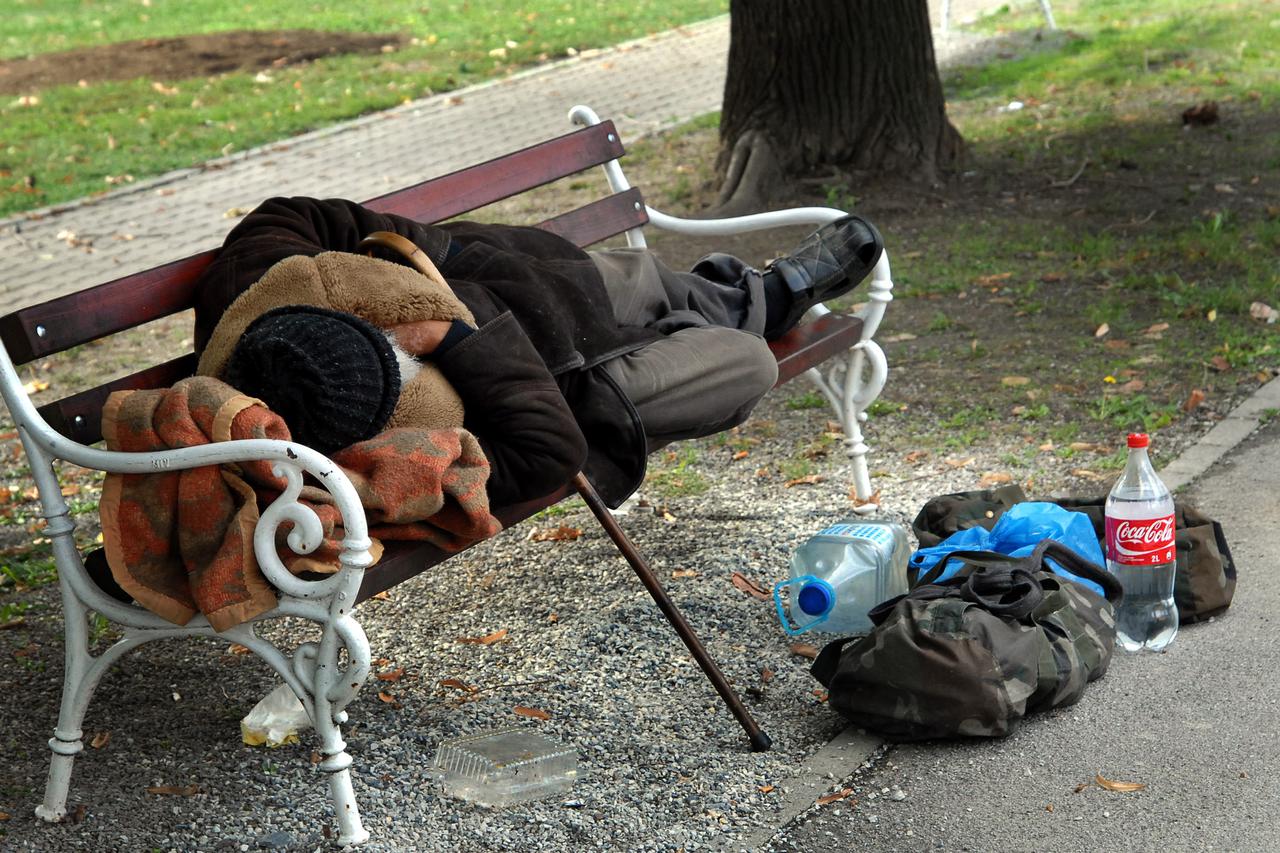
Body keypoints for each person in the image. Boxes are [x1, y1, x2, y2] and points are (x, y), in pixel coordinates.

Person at [193, 197, 882, 509]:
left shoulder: (259, 281)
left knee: (637, 275)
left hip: (534, 289)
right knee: (746, 362)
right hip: (566, 385)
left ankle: (760, 295)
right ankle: (750, 306)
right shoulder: (353, 455)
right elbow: (548, 451)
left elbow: (298, 213)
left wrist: (440, 257)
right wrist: (452, 340)